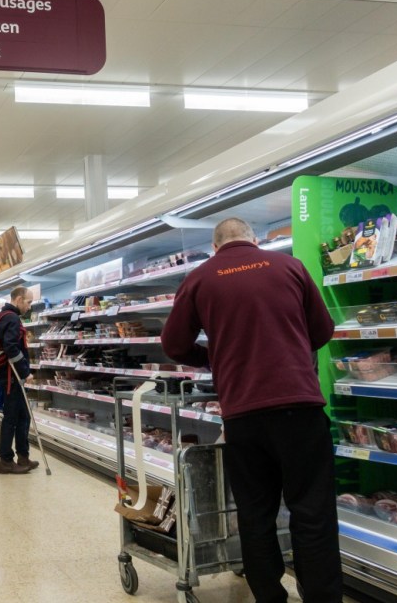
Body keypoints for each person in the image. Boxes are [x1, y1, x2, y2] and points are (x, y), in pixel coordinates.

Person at [160, 218, 341, 603]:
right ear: (254, 240)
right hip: (300, 408)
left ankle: (269, 596)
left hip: (242, 414)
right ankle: (321, 595)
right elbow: (323, 330)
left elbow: (174, 345)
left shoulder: (200, 278)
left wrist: (214, 357)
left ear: (215, 246)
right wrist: (289, 344)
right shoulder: (290, 266)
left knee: (255, 512)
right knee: (312, 511)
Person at [0, 287, 38, 475]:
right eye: (28, 302)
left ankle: (23, 456)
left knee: (23, 417)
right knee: (11, 418)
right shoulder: (11, 318)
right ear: (19, 299)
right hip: (13, 377)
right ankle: (5, 461)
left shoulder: (1, 316)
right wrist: (25, 372)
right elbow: (11, 347)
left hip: (8, 375)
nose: (29, 307)